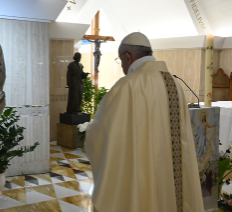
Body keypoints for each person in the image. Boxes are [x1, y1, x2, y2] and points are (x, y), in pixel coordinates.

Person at [85, 32, 204, 212]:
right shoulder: (174, 85)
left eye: (121, 61)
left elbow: (103, 134)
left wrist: (88, 132)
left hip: (142, 178)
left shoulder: (127, 86)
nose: (123, 67)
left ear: (128, 57)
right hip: (172, 180)